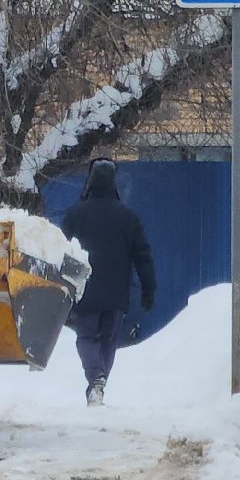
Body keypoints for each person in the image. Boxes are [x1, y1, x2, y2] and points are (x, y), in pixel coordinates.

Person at [60, 158, 156, 406]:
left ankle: (96, 379)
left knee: (87, 337)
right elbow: (142, 255)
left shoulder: (75, 213)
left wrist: (59, 287)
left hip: (85, 291)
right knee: (108, 340)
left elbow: (61, 251)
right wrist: (149, 288)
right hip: (117, 293)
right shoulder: (128, 217)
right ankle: (98, 382)